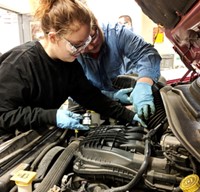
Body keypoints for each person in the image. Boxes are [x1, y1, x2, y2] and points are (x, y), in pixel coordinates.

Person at [0, 0, 145, 135]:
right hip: (8, 146)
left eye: (86, 41)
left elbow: (92, 98)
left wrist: (130, 116)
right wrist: (50, 116)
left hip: (37, 137)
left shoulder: (69, 65)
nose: (83, 49)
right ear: (53, 37)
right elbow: (3, 115)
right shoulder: (19, 64)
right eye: (76, 45)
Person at [77, 13, 162, 122]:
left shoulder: (116, 33)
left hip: (129, 99)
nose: (90, 46)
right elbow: (76, 90)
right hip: (95, 104)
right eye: (82, 45)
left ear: (97, 23)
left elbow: (147, 54)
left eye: (92, 37)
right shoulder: (73, 54)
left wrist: (144, 83)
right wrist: (111, 96)